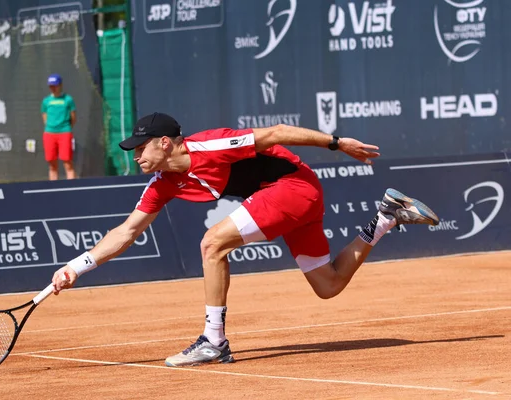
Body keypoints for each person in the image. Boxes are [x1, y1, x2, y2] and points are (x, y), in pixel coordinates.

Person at [50, 112, 440, 367]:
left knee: (211, 243)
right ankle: (386, 217)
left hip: (291, 186)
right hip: (291, 195)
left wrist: (338, 144)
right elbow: (127, 231)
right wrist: (74, 267)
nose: (135, 156)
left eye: (140, 147)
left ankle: (213, 341)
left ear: (164, 143)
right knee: (328, 284)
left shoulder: (208, 145)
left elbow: (276, 133)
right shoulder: (164, 182)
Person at [41, 74, 77, 180]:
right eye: (51, 86)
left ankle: (72, 190)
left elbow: (73, 118)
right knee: (52, 165)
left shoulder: (68, 100)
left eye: (55, 85)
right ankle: (54, 192)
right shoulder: (46, 101)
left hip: (65, 132)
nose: (53, 88)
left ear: (60, 85)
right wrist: (51, 128)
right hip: (49, 134)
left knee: (67, 163)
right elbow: (44, 117)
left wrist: (65, 128)